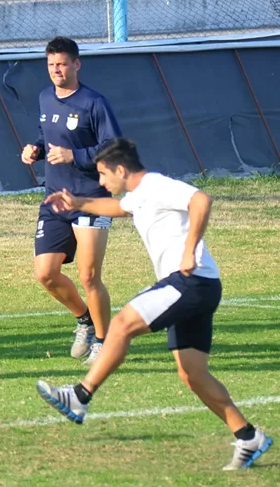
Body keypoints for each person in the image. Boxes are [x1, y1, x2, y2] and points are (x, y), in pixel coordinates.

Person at [36, 138, 272, 471]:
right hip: (200, 286)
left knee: (120, 325)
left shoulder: (157, 185)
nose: (102, 183)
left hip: (190, 280)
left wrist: (190, 249)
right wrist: (78, 202)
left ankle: (80, 395)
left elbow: (201, 199)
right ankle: (249, 437)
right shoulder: (137, 196)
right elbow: (118, 208)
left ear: (121, 169)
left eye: (104, 175)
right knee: (192, 374)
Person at [21, 36, 122, 365]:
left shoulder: (94, 103)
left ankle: (104, 343)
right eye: (51, 65)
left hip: (91, 199)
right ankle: (85, 320)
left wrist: (75, 155)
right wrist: (35, 149)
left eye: (62, 64)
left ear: (76, 64)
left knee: (90, 276)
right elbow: (46, 133)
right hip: (55, 199)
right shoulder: (45, 98)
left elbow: (114, 148)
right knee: (45, 273)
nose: (56, 70)